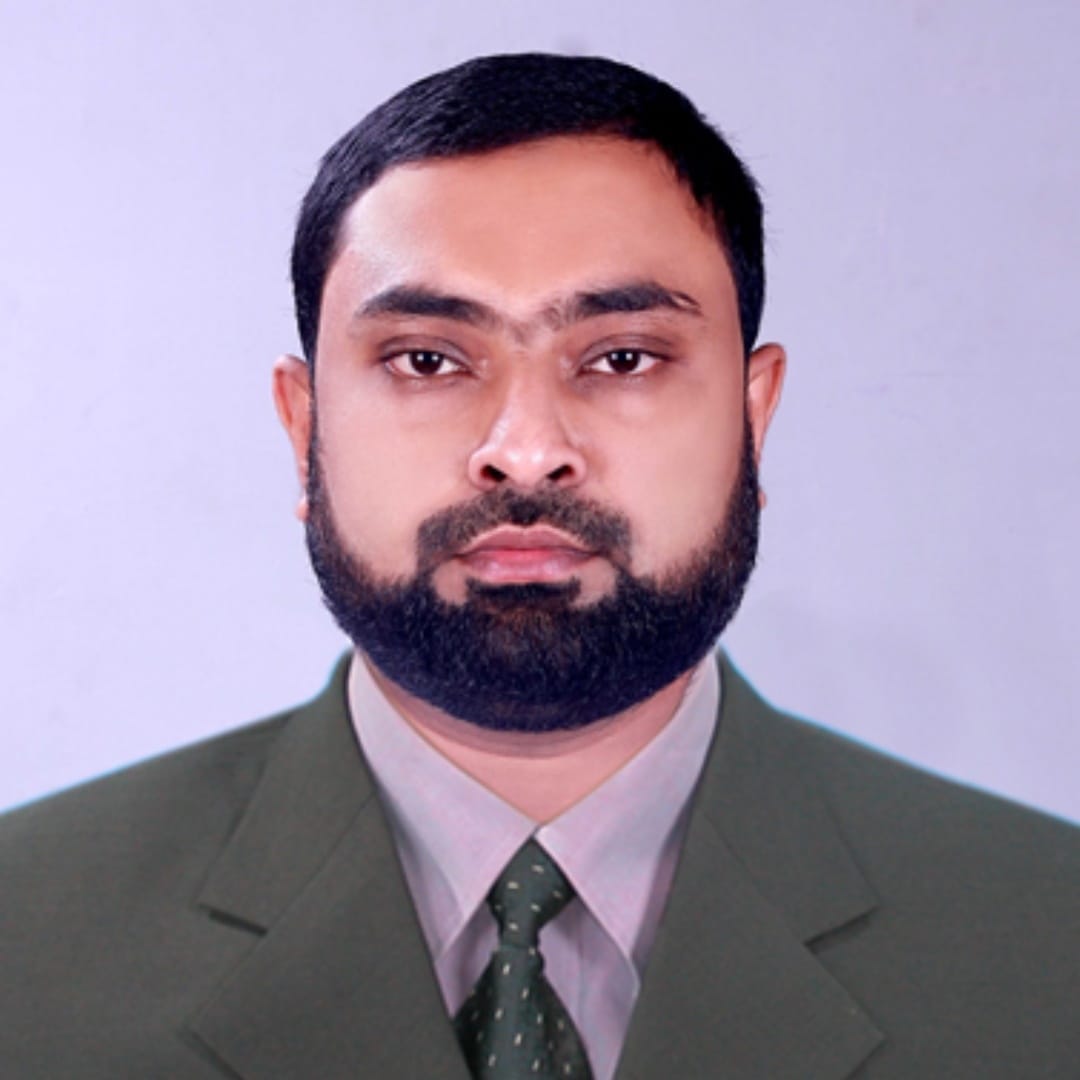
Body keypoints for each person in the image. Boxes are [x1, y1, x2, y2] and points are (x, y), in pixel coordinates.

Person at [2, 52, 1078, 1080]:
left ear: (755, 420)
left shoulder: (1046, 942)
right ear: (303, 427)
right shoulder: (25, 942)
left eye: (623, 357)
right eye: (427, 359)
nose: (524, 450)